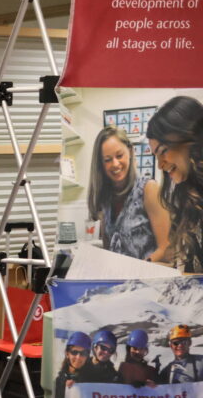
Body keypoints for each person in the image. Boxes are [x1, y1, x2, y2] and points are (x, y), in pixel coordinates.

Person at [86, 126, 169, 262]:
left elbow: (166, 249)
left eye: (119, 156)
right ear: (100, 164)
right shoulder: (105, 199)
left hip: (147, 279)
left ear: (130, 152)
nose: (115, 164)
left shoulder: (149, 189)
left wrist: (137, 271)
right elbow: (109, 252)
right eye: (107, 160)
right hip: (117, 280)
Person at [146, 95, 203, 272]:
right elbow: (188, 270)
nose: (160, 165)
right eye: (156, 155)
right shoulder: (188, 197)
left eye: (163, 150)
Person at [54, 331, 91, 398]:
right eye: (74, 352)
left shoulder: (93, 378)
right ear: (67, 354)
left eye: (83, 353)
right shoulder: (58, 381)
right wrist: (63, 387)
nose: (78, 357)